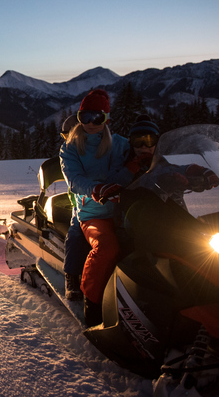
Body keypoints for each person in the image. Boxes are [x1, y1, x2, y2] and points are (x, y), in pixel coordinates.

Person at [60, 89, 132, 327]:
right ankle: (92, 303)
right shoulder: (70, 148)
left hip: (127, 210)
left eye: (97, 118)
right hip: (93, 212)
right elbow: (74, 179)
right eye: (85, 117)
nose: (91, 123)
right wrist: (96, 190)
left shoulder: (120, 144)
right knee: (106, 248)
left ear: (106, 119)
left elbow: (147, 159)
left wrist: (189, 172)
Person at [60, 115, 89, 302]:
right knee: (76, 233)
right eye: (66, 136)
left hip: (108, 201)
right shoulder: (69, 153)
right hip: (81, 202)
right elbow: (73, 180)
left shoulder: (102, 148)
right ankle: (71, 276)